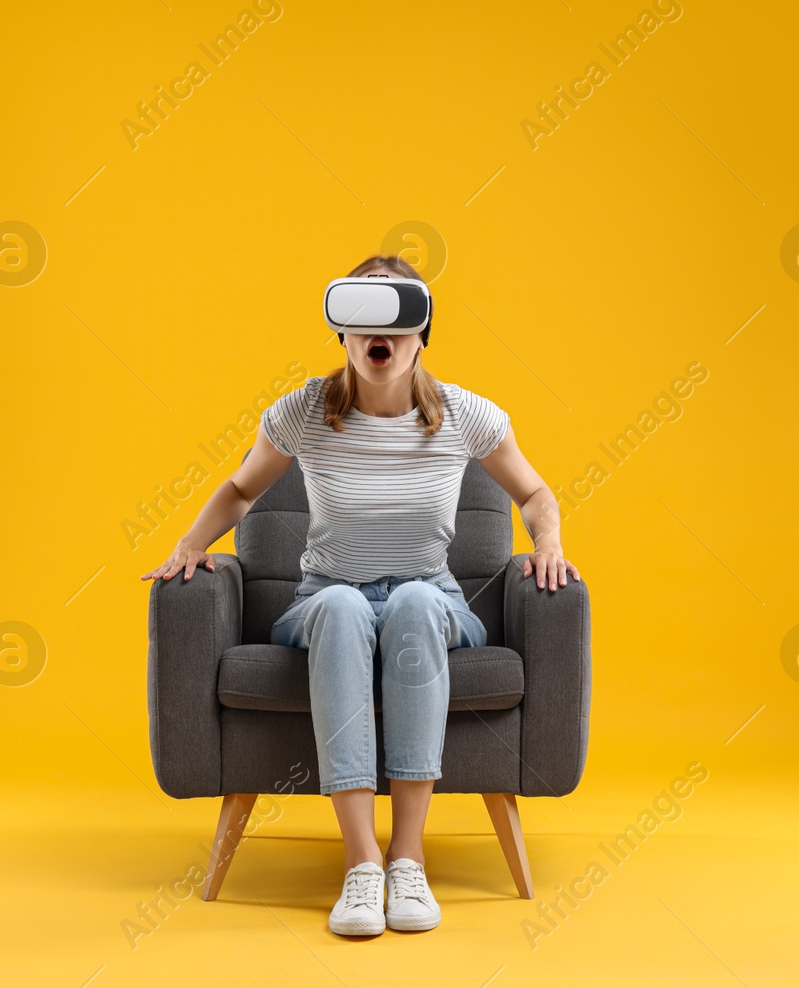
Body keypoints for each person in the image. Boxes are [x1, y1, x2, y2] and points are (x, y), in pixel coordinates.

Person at [140, 255, 580, 936]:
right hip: (326, 600)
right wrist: (189, 545)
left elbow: (536, 492)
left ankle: (408, 858)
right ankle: (362, 864)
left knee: (409, 603)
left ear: (420, 331)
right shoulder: (306, 411)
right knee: (345, 605)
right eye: (363, 318)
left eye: (397, 317)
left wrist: (547, 544)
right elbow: (239, 489)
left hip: (430, 599)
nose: (381, 336)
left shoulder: (466, 415)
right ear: (343, 331)